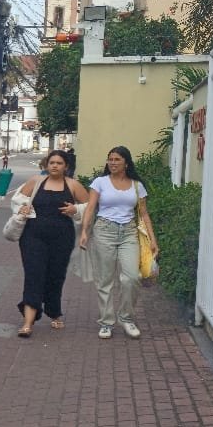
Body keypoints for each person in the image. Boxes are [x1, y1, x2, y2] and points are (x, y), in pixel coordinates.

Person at [78, 146, 159, 340]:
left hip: (129, 233)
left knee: (131, 277)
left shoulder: (137, 185)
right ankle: (106, 322)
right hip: (104, 231)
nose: (112, 163)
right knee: (105, 280)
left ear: (126, 163)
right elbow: (91, 207)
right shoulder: (100, 182)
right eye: (110, 159)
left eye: (117, 159)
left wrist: (152, 239)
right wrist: (84, 231)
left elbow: (144, 214)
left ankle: (126, 318)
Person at [14, 150, 88, 337]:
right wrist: (22, 208)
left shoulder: (73, 185)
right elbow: (18, 200)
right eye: (52, 162)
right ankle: (28, 322)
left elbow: (90, 207)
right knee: (33, 275)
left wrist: (75, 209)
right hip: (32, 236)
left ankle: (54, 312)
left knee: (55, 276)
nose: (55, 166)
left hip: (62, 238)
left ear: (66, 166)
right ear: (47, 164)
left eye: (59, 163)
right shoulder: (36, 181)